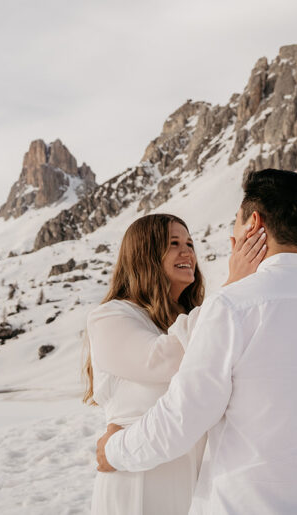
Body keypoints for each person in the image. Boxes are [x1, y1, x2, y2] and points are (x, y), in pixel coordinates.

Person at [96, 169, 297, 514]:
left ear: (253, 223)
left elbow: (183, 415)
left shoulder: (236, 306)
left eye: (236, 225)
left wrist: (114, 451)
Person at [85, 213, 267, 515]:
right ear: (144, 253)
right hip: (138, 482)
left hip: (193, 483)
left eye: (190, 243)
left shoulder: (194, 317)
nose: (187, 252)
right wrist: (232, 287)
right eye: (173, 243)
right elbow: (161, 360)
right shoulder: (110, 317)